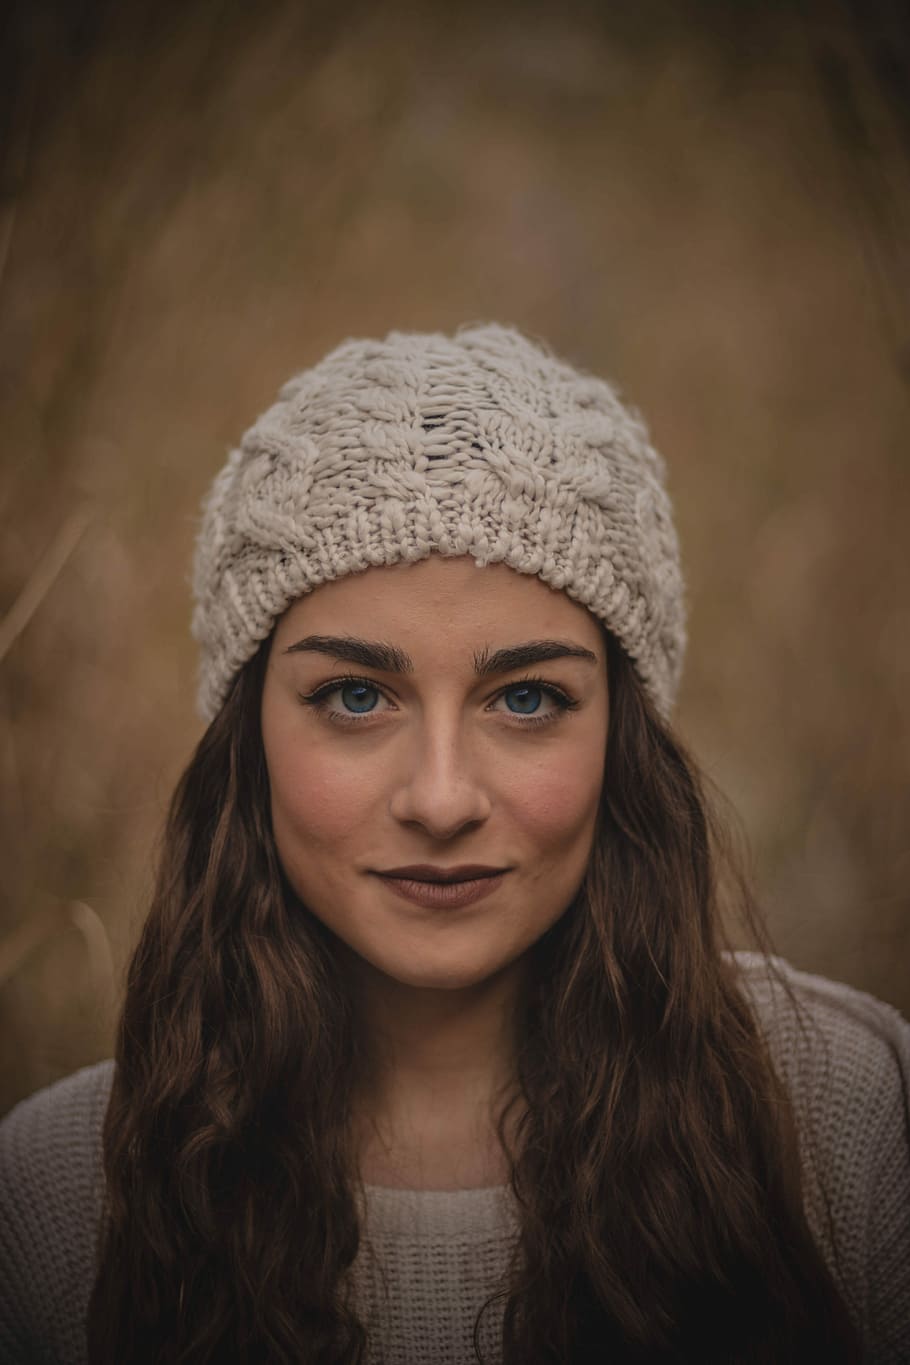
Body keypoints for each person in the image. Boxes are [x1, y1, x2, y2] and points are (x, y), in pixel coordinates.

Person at [0, 324, 908, 1365]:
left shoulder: (845, 1125)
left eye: (526, 697)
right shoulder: (57, 1196)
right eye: (353, 696)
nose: (440, 798)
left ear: (622, 733)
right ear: (246, 736)